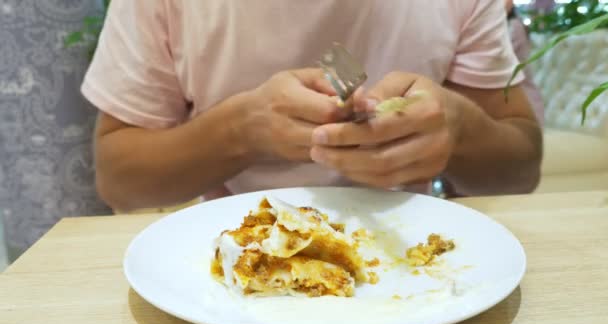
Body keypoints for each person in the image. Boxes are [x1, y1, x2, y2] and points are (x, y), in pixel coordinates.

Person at [83, 0, 543, 212]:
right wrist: (238, 133)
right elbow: (120, 180)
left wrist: (459, 132)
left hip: (411, 263)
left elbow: (520, 168)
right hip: (233, 268)